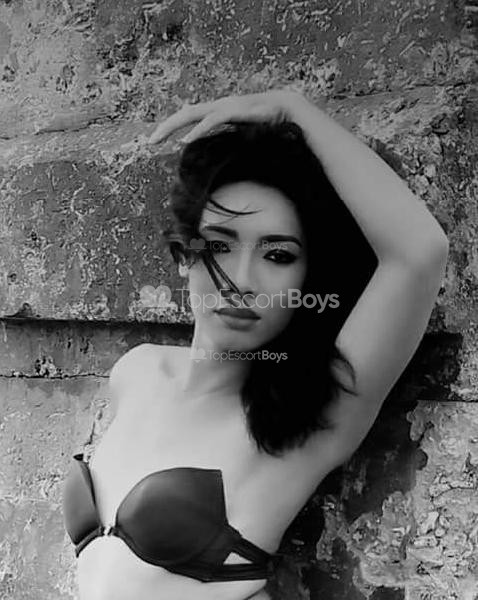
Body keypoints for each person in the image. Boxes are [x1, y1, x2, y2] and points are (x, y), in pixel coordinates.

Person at [61, 89, 449, 600]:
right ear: (184, 256)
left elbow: (420, 252)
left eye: (278, 255)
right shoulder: (136, 371)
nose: (241, 281)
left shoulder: (311, 414)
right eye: (219, 245)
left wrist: (293, 109)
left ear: (307, 278)